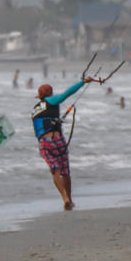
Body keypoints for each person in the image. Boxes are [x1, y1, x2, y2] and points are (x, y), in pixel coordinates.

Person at [32, 76, 95, 211]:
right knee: (65, 172)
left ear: (40, 96)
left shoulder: (35, 109)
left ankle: (64, 198)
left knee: (55, 171)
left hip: (44, 142)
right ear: (50, 94)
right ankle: (70, 199)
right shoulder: (52, 100)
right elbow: (67, 93)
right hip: (58, 140)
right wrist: (83, 82)